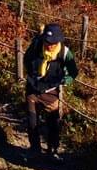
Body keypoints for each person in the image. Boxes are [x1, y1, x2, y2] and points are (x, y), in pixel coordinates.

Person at [23, 23, 78, 161]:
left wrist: (67, 79)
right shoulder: (36, 46)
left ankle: (52, 150)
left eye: (53, 43)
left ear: (59, 41)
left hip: (51, 91)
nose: (50, 45)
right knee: (32, 121)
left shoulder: (64, 53)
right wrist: (33, 74)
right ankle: (34, 149)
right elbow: (26, 60)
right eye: (47, 42)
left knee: (53, 122)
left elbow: (73, 71)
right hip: (33, 89)